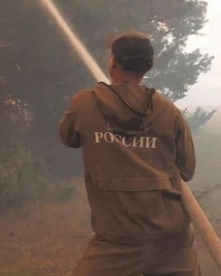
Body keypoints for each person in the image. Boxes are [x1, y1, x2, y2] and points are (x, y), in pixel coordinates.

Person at [59, 30, 200, 276]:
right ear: (149, 65)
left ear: (113, 62)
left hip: (118, 240)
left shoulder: (85, 103)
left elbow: (68, 137)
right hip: (172, 239)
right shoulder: (168, 110)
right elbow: (187, 169)